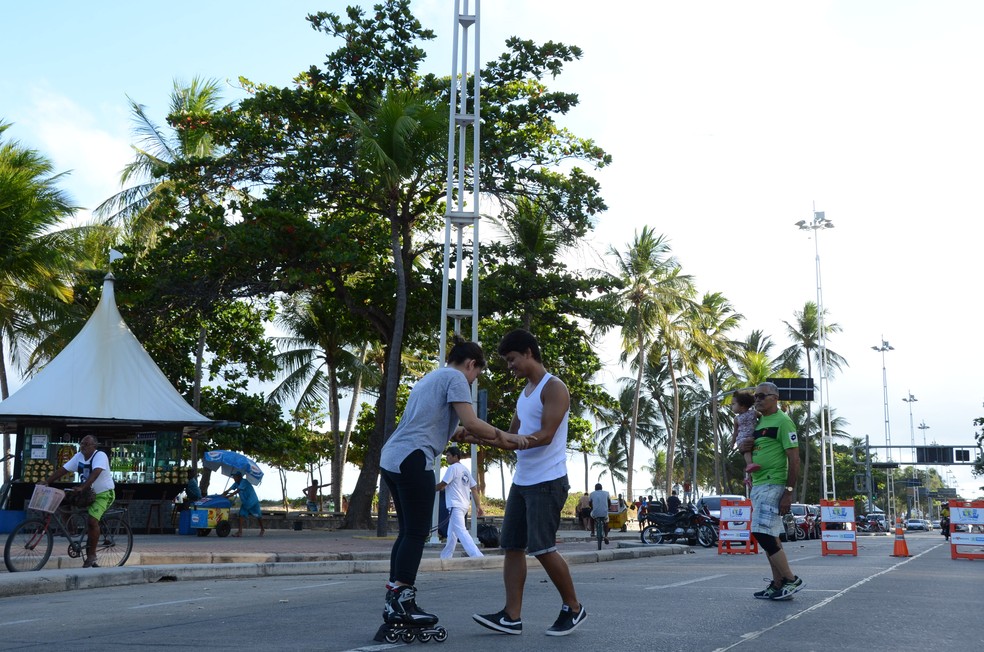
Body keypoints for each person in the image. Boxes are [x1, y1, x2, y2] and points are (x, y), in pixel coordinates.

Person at [375, 337, 523, 640]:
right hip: (414, 458)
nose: (473, 381)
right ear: (471, 364)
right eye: (476, 375)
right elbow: (472, 420)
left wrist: (463, 434)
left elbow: (445, 426)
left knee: (407, 533)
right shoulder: (456, 378)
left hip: (393, 457)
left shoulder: (432, 377)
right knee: (416, 533)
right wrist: (508, 438)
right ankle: (404, 601)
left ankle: (395, 600)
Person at [472, 329, 587, 637]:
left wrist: (519, 441)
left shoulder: (554, 388)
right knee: (511, 546)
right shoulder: (525, 393)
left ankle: (574, 608)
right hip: (523, 482)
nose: (510, 366)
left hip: (548, 481)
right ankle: (511, 616)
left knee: (543, 547)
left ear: (528, 352)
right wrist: (473, 434)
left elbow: (546, 434)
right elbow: (509, 439)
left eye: (512, 360)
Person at [738, 382, 804, 601]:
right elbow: (753, 448)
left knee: (761, 532)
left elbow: (794, 459)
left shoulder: (784, 422)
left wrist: (789, 491)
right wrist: (744, 448)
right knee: (770, 535)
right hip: (758, 484)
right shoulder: (758, 422)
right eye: (755, 396)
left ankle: (791, 579)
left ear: (775, 398)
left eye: (761, 396)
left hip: (773, 483)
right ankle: (777, 584)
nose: (756, 400)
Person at [42, 435, 115, 568]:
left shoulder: (100, 455)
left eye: (87, 444)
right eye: (82, 443)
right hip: (85, 492)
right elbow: (63, 470)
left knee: (92, 521)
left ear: (94, 446)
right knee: (61, 501)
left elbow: (96, 472)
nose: (83, 446)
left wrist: (82, 487)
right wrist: (47, 481)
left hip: (103, 493)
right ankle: (71, 530)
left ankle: (92, 555)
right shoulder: (78, 456)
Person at [435, 446, 484, 559]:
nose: (446, 458)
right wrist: (478, 505)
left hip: (455, 504)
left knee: (461, 531)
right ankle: (446, 556)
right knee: (452, 533)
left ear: (455, 457)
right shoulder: (465, 470)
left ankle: (477, 556)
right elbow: (474, 488)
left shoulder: (453, 468)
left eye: (448, 456)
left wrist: (430, 488)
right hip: (464, 505)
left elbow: (443, 484)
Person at [731, 391, 762, 486]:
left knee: (754, 453)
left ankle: (749, 478)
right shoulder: (736, 419)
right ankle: (749, 464)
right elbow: (735, 432)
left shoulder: (754, 413)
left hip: (753, 437)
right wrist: (732, 442)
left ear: (742, 406)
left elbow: (763, 418)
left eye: (733, 404)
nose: (731, 407)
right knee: (747, 451)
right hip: (743, 438)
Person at [222, 471, 265, 537]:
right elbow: (230, 489)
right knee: (242, 514)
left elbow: (237, 491)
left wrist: (227, 496)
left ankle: (261, 529)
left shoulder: (244, 482)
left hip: (252, 500)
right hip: (246, 502)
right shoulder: (236, 483)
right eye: (233, 477)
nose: (234, 478)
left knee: (258, 516)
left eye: (235, 477)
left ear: (239, 477)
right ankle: (240, 532)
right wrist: (224, 493)